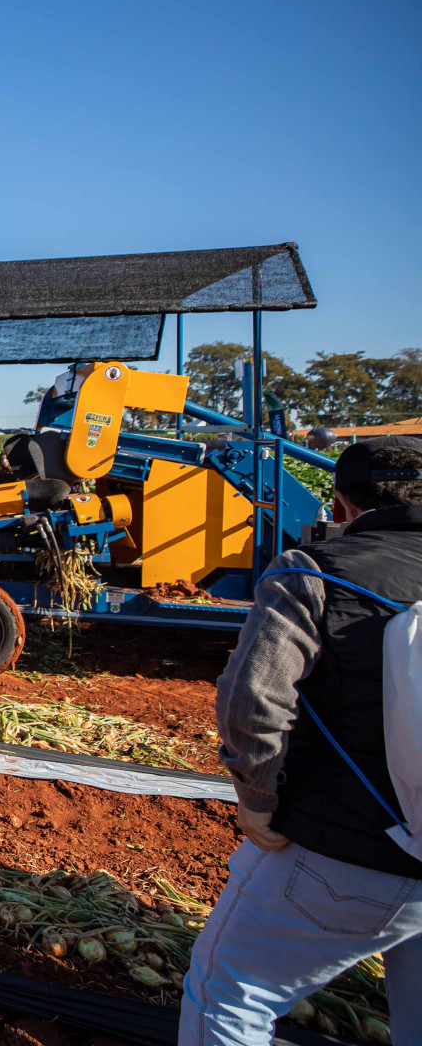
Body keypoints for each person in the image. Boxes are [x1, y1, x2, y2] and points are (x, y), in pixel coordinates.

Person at [181, 438, 422, 1046]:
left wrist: (257, 802)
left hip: (353, 846)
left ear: (339, 504)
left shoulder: (316, 570)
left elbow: (254, 701)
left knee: (230, 991)